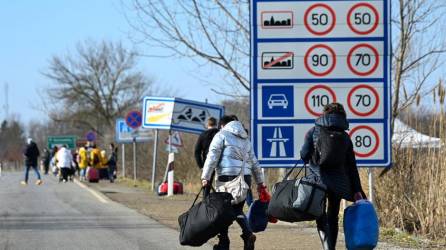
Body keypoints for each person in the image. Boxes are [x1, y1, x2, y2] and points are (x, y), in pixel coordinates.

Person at [300, 103, 366, 250]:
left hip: (318, 179)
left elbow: (304, 155)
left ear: (325, 114)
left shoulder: (313, 132)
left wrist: (310, 156)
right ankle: (332, 247)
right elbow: (351, 166)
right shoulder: (345, 136)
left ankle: (327, 247)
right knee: (333, 216)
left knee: (320, 215)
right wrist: (357, 190)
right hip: (339, 183)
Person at [201, 115, 266, 250]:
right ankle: (248, 234)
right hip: (245, 177)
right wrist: (260, 182)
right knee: (237, 210)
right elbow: (254, 162)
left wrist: (205, 176)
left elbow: (212, 157)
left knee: (222, 211)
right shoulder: (245, 139)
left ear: (223, 125)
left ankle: (224, 243)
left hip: (227, 177)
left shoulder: (221, 135)